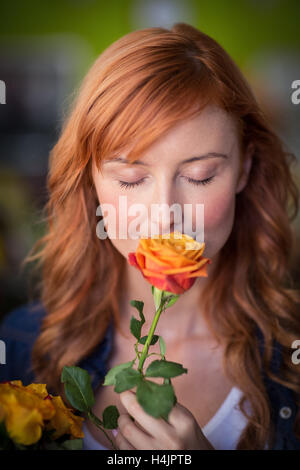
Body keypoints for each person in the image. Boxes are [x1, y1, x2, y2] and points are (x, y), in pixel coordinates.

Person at [1, 22, 300, 451]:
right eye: (131, 178)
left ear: (245, 168)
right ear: (91, 181)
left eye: (200, 176)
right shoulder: (19, 345)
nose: (164, 216)